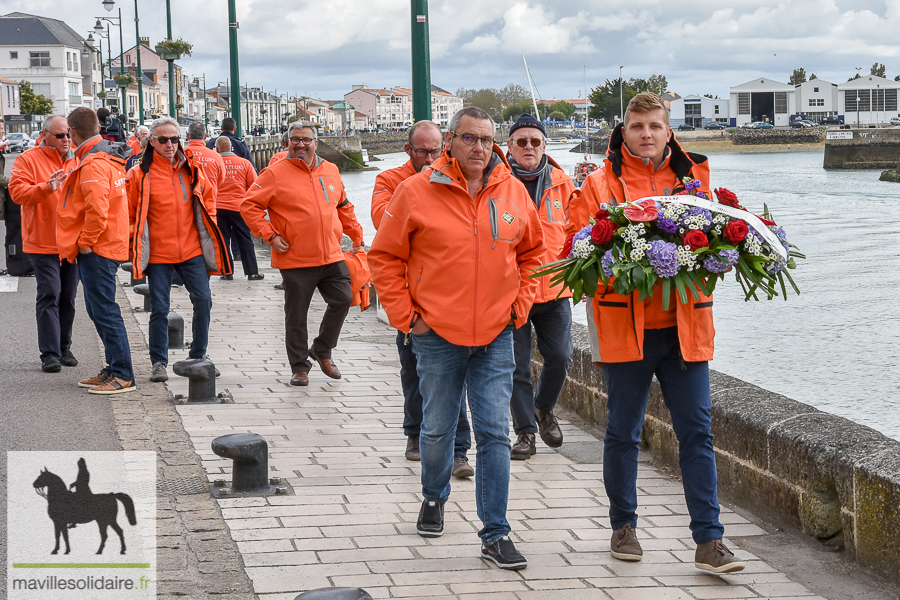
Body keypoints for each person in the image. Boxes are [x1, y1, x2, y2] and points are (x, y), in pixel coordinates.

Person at [567, 92, 745, 574]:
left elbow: (715, 249)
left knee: (698, 434)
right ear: (623, 131)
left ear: (670, 132)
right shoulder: (598, 185)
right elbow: (579, 255)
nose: (646, 134)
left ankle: (710, 541)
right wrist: (628, 263)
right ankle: (623, 526)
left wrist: (727, 252)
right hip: (625, 328)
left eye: (654, 126)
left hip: (686, 328)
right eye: (637, 126)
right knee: (623, 433)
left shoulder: (696, 181)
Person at [369, 107, 544, 570]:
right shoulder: (415, 191)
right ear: (451, 140)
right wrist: (408, 318)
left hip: (495, 335)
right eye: (470, 139)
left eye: (488, 140)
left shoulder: (511, 192)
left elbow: (533, 255)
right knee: (438, 428)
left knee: (493, 434)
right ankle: (433, 496)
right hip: (436, 335)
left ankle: (495, 533)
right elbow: (383, 258)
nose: (480, 149)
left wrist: (518, 308)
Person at [370, 120, 473, 478]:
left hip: (452, 301)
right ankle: (414, 434)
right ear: (408, 151)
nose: (430, 159)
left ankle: (459, 450)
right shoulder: (389, 182)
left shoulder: (455, 179)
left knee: (453, 377)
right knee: (413, 373)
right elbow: (385, 227)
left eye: (435, 151)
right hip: (411, 302)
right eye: (422, 152)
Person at [242, 121, 364, 386]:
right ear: (287, 142)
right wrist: (270, 235)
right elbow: (249, 206)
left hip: (332, 254)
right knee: (296, 316)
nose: (300, 144)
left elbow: (343, 205)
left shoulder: (330, 169)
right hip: (295, 258)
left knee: (344, 299)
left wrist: (357, 237)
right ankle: (300, 367)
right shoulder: (274, 173)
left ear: (315, 143)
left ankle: (321, 349)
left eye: (306, 139)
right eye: (295, 139)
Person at [126, 116, 232, 384]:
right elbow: (128, 215)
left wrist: (210, 236)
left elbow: (209, 205)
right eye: (163, 140)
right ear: (152, 141)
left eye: (175, 139)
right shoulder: (139, 175)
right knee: (159, 308)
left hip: (191, 251)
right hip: (159, 255)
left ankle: (199, 355)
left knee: (204, 301)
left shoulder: (193, 170)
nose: (170, 144)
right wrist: (133, 245)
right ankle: (158, 362)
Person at [502, 114, 576, 460]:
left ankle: (543, 408)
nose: (528, 147)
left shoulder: (565, 184)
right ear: (509, 147)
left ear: (545, 145)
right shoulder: (497, 182)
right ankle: (525, 433)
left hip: (556, 288)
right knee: (516, 366)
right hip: (512, 290)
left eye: (535, 141)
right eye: (521, 141)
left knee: (560, 357)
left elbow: (580, 233)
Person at [58, 107, 135, 394]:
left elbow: (97, 210)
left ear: (72, 133)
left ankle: (123, 375)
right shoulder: (107, 157)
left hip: (99, 248)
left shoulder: (92, 164)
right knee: (98, 309)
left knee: (104, 310)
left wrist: (86, 243)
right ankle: (114, 368)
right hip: (109, 243)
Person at [8, 115, 79, 373]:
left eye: (68, 135)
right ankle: (49, 354)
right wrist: (46, 188)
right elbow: (17, 193)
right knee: (50, 293)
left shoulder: (76, 159)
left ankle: (64, 347)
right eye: (60, 136)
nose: (65, 140)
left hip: (71, 242)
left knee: (68, 298)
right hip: (41, 240)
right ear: (45, 134)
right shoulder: (28, 159)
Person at [215, 136, 263, 281]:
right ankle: (252, 272)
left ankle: (227, 272)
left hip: (218, 207)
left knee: (222, 240)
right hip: (239, 206)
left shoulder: (214, 164)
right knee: (245, 238)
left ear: (217, 149)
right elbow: (254, 186)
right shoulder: (245, 163)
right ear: (231, 148)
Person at [184, 122, 225, 200]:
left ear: (187, 135)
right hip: (209, 200)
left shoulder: (180, 155)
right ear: (205, 136)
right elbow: (220, 180)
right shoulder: (216, 156)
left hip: (186, 200)